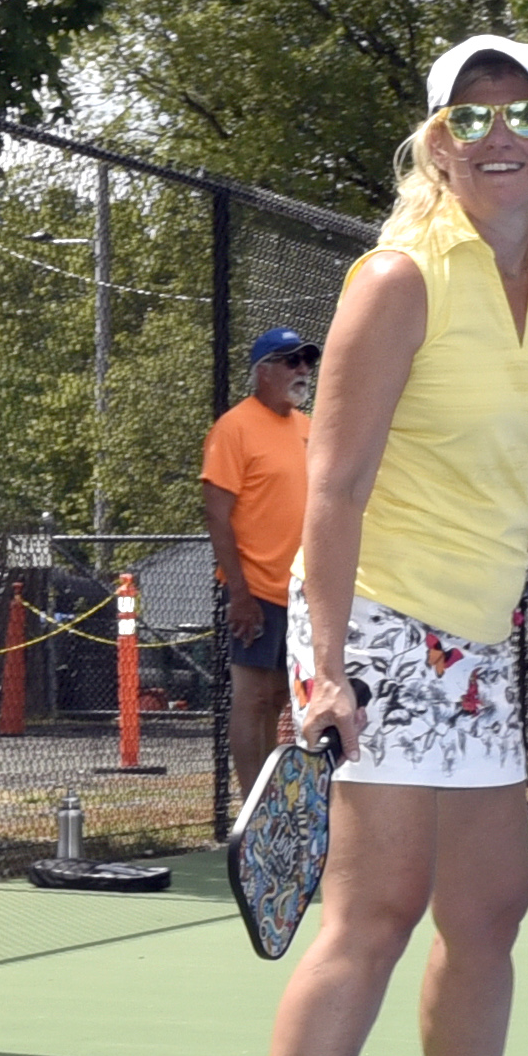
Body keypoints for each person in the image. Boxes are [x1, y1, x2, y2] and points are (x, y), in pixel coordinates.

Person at [214, 33, 528, 1056]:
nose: (501, 136)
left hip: (481, 640)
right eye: (473, 117)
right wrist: (324, 668)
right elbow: (331, 487)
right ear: (437, 143)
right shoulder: (395, 278)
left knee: (490, 908)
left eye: (526, 113)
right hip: (377, 626)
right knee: (373, 915)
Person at [204, 326, 318, 795]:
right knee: (252, 699)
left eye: (306, 361)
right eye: (291, 361)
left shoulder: (309, 428)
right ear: (262, 371)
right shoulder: (233, 428)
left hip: (300, 590)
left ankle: (273, 798)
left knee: (278, 697)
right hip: (253, 592)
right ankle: (253, 806)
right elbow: (216, 515)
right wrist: (239, 593)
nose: (303, 370)